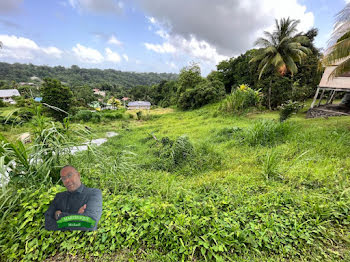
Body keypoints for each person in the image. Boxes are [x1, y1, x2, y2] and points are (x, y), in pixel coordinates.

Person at [44, 165, 102, 231]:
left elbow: (90, 223)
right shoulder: (59, 197)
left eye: (69, 175)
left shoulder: (93, 193)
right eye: (63, 178)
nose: (67, 180)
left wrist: (59, 216)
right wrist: (78, 216)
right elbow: (48, 224)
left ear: (78, 175)